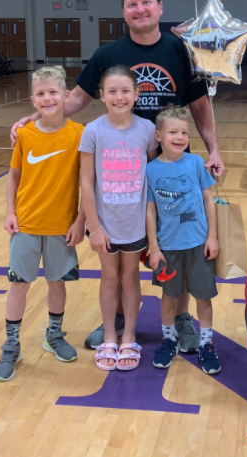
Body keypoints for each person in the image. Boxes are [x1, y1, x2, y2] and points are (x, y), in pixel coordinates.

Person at [10, 0, 225, 354]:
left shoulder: (181, 50)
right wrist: (34, 117)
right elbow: (74, 99)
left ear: (159, 7)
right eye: (131, 5)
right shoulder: (109, 54)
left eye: (145, 2)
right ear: (123, 13)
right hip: (120, 180)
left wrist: (214, 150)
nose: (139, 9)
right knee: (121, 266)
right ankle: (120, 322)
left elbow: (200, 107)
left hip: (170, 172)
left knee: (179, 252)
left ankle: (181, 320)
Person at [0, 66, 86, 382]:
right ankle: (10, 346)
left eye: (53, 92)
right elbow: (14, 176)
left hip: (62, 226)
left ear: (67, 95)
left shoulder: (80, 134)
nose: (47, 98)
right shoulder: (25, 134)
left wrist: (80, 219)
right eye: (41, 93)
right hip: (26, 224)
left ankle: (54, 335)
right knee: (19, 284)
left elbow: (88, 183)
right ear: (32, 99)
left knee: (57, 283)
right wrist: (10, 212)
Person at [79, 66, 159, 370]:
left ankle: (129, 336)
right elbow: (87, 182)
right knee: (109, 278)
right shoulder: (93, 131)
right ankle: (109, 336)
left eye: (125, 91)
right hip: (106, 227)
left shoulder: (147, 130)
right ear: (101, 96)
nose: (119, 97)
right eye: (111, 91)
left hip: (136, 224)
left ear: (137, 94)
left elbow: (154, 173)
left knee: (130, 278)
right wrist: (94, 227)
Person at [146, 105, 221, 375]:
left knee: (203, 296)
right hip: (168, 248)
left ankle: (206, 344)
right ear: (158, 136)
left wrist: (212, 236)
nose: (179, 137)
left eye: (184, 133)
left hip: (199, 244)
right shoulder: (151, 170)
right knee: (169, 295)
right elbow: (150, 211)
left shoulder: (195, 163)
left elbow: (208, 201)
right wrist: (154, 248)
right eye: (173, 132)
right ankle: (168, 340)